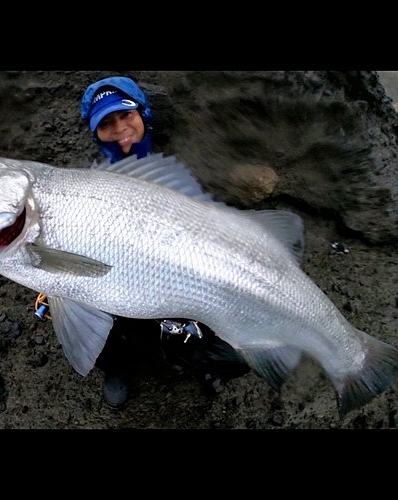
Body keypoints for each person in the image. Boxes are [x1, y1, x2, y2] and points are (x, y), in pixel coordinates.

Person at [77, 76, 250, 408]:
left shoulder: (185, 169)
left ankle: (194, 357)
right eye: (107, 123)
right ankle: (116, 367)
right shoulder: (90, 185)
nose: (120, 128)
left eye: (126, 115)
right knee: (87, 316)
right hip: (121, 284)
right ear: (95, 133)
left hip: (184, 281)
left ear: (142, 113)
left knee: (234, 359)